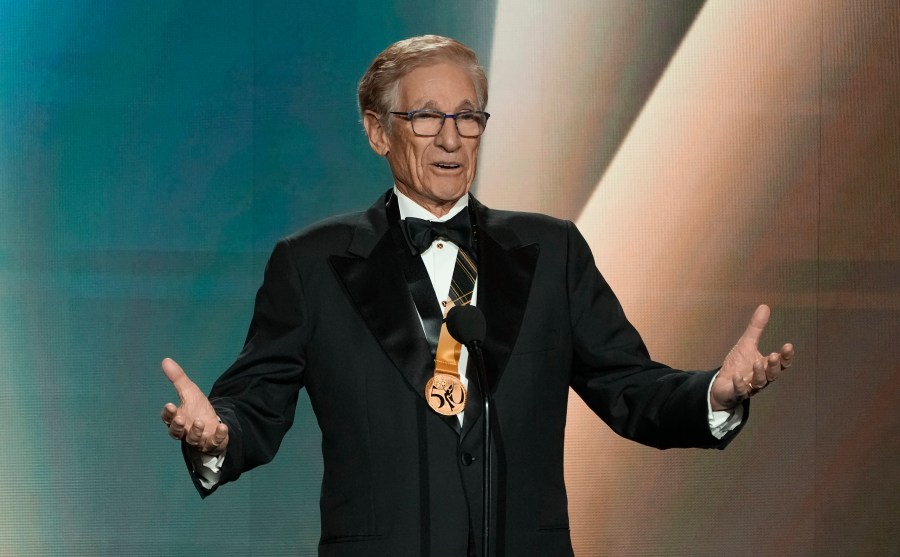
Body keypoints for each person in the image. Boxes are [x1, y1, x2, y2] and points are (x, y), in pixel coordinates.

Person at [160, 35, 794, 557]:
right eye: (427, 116)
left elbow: (631, 389)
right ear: (379, 132)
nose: (451, 138)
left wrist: (717, 392)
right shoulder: (312, 264)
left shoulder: (551, 252)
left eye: (468, 116)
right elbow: (253, 406)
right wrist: (215, 434)